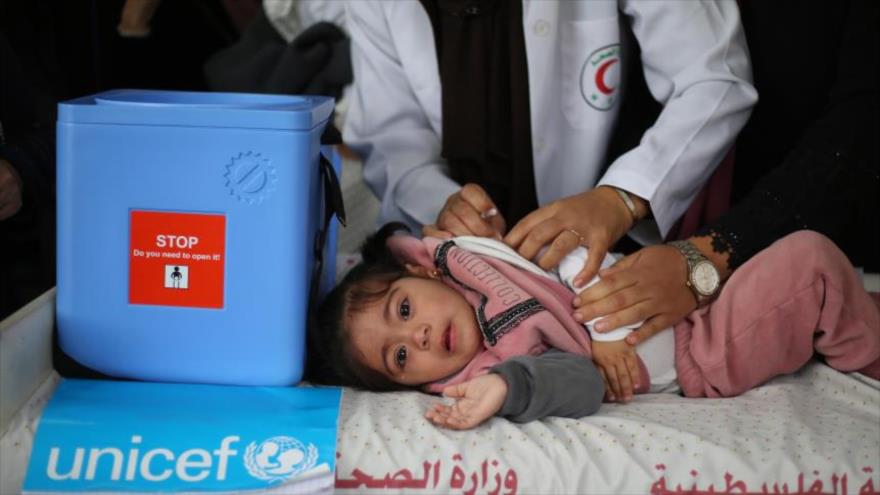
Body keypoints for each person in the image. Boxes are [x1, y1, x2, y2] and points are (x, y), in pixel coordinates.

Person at [568, 0, 880, 399]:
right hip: (661, 230)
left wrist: (704, 259)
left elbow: (859, 129)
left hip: (799, 216)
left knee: (814, 267)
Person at [343, 1, 759, 286]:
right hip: (464, 258)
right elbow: (392, 139)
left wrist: (623, 198)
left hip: (615, 249)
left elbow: (714, 78)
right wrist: (443, 204)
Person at [306, 224, 880, 430]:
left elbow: (567, 253)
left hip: (681, 298)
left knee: (810, 265)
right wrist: (506, 389)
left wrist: (600, 314)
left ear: (421, 269)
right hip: (701, 349)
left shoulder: (478, 265)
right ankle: (869, 354)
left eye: (404, 311)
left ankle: (852, 318)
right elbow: (578, 384)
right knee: (811, 262)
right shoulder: (495, 367)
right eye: (401, 359)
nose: (420, 338)